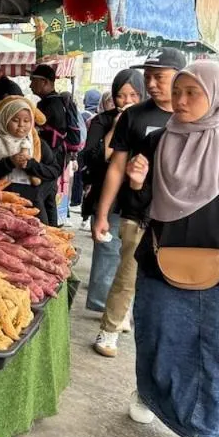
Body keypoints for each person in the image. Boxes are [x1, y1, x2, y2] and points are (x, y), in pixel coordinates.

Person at [123, 61, 219, 437]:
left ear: (217, 95)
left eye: (192, 93)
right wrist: (136, 185)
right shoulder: (157, 143)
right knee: (157, 341)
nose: (180, 101)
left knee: (216, 353)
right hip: (159, 263)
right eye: (178, 91)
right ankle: (150, 394)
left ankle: (207, 433)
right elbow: (137, 211)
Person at [90, 47, 186, 356]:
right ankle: (109, 329)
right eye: (149, 77)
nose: (153, 83)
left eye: (160, 76)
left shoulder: (191, 116)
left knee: (171, 283)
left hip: (181, 217)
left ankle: (162, 338)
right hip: (137, 212)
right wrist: (102, 213)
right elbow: (116, 167)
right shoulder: (134, 115)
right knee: (127, 274)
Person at [79, 70, 146, 312]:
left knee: (135, 257)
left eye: (133, 95)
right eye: (120, 95)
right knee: (107, 252)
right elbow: (94, 159)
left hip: (140, 201)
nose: (127, 101)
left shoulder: (150, 119)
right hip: (108, 197)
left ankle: (122, 308)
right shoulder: (102, 121)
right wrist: (116, 129)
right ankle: (103, 307)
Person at [0, 96, 62, 222]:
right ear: (5, 119)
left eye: (26, 121)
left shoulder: (37, 145)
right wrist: (9, 162)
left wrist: (31, 165)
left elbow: (54, 171)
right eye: (15, 120)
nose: (21, 125)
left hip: (31, 204)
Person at [28, 64, 78, 226]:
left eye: (33, 81)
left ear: (45, 82)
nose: (30, 85)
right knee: (49, 197)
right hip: (59, 157)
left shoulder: (47, 105)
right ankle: (53, 232)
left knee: (38, 197)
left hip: (50, 157)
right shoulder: (59, 102)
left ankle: (45, 235)